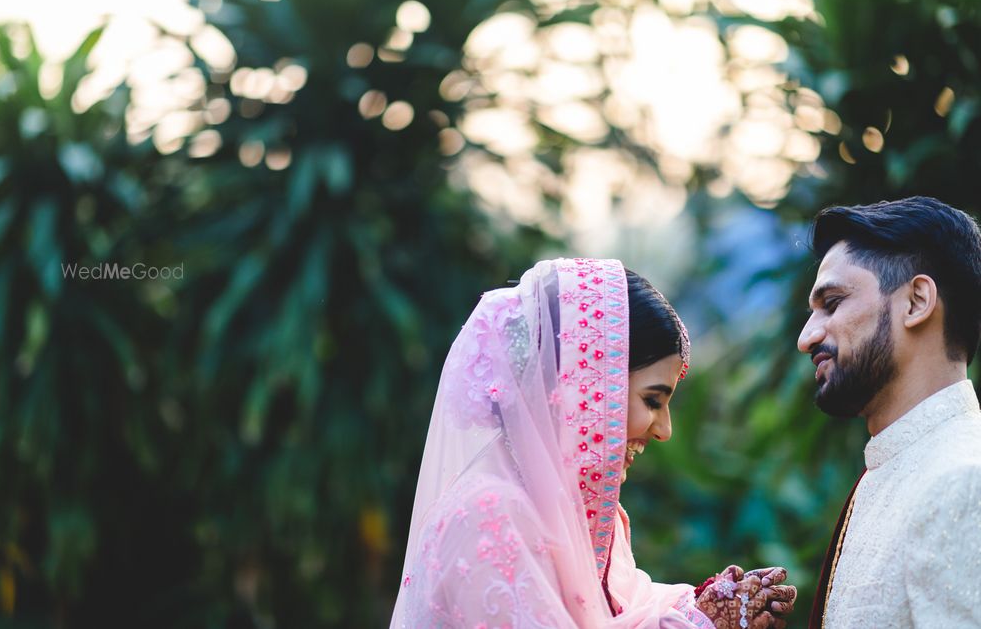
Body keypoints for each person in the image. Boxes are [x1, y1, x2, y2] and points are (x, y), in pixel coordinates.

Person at [392, 258, 796, 628]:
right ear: (586, 390)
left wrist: (703, 608)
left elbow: (629, 608)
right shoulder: (487, 513)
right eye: (652, 401)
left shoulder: (568, 511)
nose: (664, 430)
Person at [797, 197, 981, 628]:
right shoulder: (892, 469)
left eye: (833, 303)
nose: (807, 337)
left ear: (916, 301)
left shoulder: (964, 480)